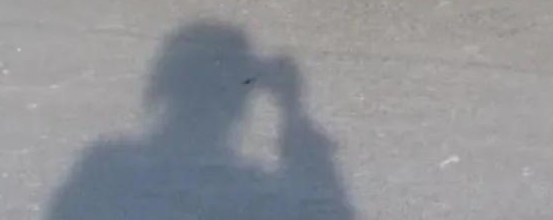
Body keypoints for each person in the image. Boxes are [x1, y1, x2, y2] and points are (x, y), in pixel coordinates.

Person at [47, 21, 352, 220]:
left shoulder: (106, 170)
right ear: (239, 101)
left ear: (163, 84)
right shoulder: (251, 194)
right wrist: (292, 111)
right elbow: (329, 212)